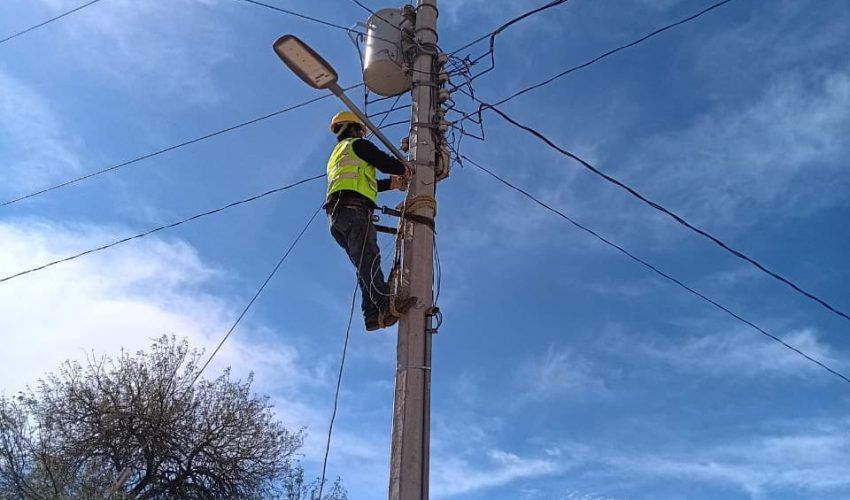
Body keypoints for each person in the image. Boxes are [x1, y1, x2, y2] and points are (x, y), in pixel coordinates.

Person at [325, 111, 416, 331]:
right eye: (361, 130)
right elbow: (384, 162)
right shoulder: (357, 145)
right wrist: (405, 169)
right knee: (368, 260)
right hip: (353, 211)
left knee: (363, 265)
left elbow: (363, 181)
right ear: (354, 128)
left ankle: (371, 315)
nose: (362, 134)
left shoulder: (338, 154)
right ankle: (386, 305)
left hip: (337, 217)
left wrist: (392, 184)